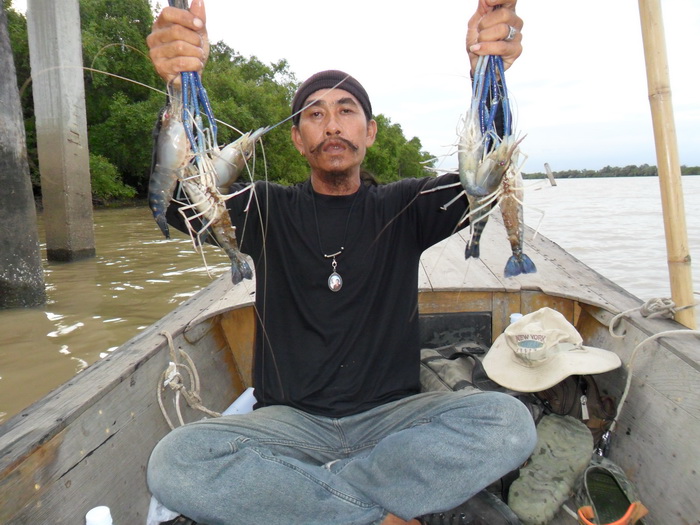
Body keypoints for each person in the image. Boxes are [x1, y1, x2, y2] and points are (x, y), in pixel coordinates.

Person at [146, 1, 535, 524]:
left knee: (509, 423)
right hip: (287, 424)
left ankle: (313, 502)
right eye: (315, 113)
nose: (332, 124)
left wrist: (487, 74)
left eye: (347, 110)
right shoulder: (265, 209)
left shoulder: (407, 206)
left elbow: (486, 174)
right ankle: (376, 513)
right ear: (297, 138)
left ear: (369, 132)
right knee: (175, 462)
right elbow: (178, 202)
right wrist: (176, 86)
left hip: (392, 421)